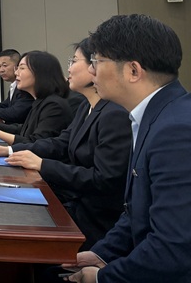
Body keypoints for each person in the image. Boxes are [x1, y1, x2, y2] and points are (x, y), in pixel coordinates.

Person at [64, 15, 191, 283]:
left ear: (133, 71)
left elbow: (172, 249)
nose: (92, 72)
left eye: (97, 62)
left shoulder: (176, 131)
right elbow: (137, 212)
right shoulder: (152, 115)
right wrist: (102, 254)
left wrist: (102, 277)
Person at [0, 39, 131, 249]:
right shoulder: (86, 107)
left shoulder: (114, 114)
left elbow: (104, 179)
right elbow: (60, 143)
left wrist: (42, 164)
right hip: (73, 201)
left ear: (95, 66)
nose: (69, 69)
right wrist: (9, 150)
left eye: (74, 61)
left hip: (93, 219)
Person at [0, 51, 72, 145]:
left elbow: (36, 143)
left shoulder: (54, 105)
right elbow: (24, 129)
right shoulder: (40, 101)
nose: (16, 72)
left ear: (39, 73)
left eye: (21, 68)